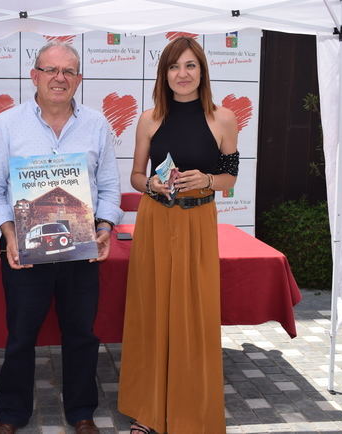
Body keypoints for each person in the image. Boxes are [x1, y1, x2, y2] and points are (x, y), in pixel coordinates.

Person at [0, 42, 123, 434]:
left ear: (79, 79)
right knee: (21, 334)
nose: (60, 78)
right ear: (35, 75)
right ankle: (11, 414)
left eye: (69, 71)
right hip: (23, 248)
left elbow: (110, 188)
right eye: (51, 70)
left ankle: (81, 412)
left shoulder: (97, 125)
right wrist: (9, 234)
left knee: (82, 333)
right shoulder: (8, 124)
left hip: (81, 249)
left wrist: (106, 228)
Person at [118, 36, 239, 433]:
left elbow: (230, 178)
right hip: (155, 222)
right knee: (152, 314)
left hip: (198, 224)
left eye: (190, 65)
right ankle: (148, 412)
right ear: (164, 74)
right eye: (174, 67)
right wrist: (150, 184)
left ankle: (191, 414)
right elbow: (136, 176)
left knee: (194, 318)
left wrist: (207, 178)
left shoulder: (224, 119)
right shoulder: (149, 118)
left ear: (202, 71)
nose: (182, 74)